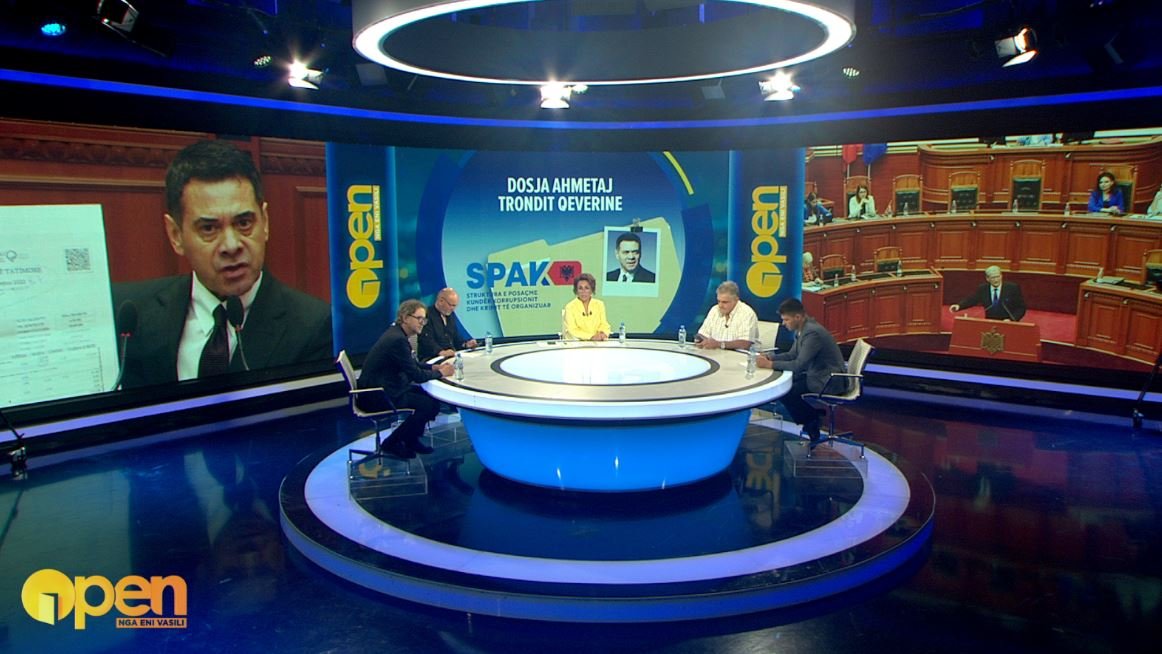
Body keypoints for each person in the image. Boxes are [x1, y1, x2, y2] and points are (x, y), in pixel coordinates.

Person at [113, 140, 332, 389]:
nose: (231, 245)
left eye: (244, 223)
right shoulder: (133, 318)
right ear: (176, 235)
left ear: (265, 222)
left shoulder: (313, 327)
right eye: (209, 228)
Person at [358, 300, 455, 459]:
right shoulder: (397, 340)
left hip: (386, 386)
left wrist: (432, 367)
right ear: (405, 317)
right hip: (378, 394)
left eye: (424, 319)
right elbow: (416, 375)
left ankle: (411, 439)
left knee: (430, 399)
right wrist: (441, 373)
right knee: (428, 405)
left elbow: (410, 363)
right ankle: (391, 443)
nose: (422, 323)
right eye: (419, 318)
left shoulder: (397, 333)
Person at [757, 298, 847, 442]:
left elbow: (799, 365)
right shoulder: (803, 329)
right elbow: (792, 355)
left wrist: (769, 365)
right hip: (817, 373)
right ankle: (811, 417)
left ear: (798, 317)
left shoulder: (812, 333)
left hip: (829, 380)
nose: (783, 323)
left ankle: (812, 420)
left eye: (786, 320)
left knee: (786, 391)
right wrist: (770, 357)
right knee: (787, 385)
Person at [417, 287, 477, 361]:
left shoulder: (450, 315)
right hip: (432, 358)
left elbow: (455, 338)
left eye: (455, 306)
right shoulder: (426, 314)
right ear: (441, 301)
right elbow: (426, 340)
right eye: (451, 305)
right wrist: (441, 352)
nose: (453, 308)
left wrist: (466, 344)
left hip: (450, 356)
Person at [694, 281, 757, 350]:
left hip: (739, 355)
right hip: (715, 354)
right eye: (719, 301)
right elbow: (703, 334)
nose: (720, 305)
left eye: (725, 302)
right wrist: (700, 340)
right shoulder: (714, 310)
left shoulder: (747, 313)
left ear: (736, 300)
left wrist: (719, 344)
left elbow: (745, 344)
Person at [949, 265, 1027, 321]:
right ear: (987, 279)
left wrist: (1012, 319)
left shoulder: (1012, 288)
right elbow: (972, 300)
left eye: (998, 276)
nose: (996, 280)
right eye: (993, 278)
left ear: (1001, 276)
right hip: (990, 322)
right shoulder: (983, 288)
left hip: (1008, 322)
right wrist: (959, 306)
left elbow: (1021, 308)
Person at [563, 273, 611, 340]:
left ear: (592, 290)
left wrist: (602, 333)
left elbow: (604, 324)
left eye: (587, 288)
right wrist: (591, 337)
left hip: (597, 342)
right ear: (576, 290)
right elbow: (572, 330)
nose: (583, 292)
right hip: (577, 344)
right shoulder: (570, 307)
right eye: (580, 288)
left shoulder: (599, 304)